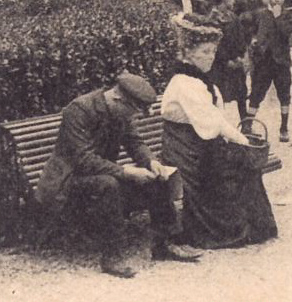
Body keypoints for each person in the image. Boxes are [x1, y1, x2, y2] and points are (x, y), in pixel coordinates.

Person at [34, 73, 197, 279]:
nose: (136, 117)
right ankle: (113, 256)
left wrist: (151, 162)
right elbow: (82, 159)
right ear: (119, 99)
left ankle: (165, 243)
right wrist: (125, 171)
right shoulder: (79, 110)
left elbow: (135, 142)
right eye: (136, 111)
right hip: (66, 184)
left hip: (99, 175)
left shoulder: (120, 112)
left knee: (158, 177)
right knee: (108, 184)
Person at [160, 21, 279, 248]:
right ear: (188, 54)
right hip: (185, 151)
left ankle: (253, 226)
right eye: (204, 52)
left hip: (200, 143)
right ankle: (230, 229)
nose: (211, 57)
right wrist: (242, 140)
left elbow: (216, 118)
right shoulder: (184, 83)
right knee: (233, 168)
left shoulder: (200, 80)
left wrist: (235, 140)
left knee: (243, 164)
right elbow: (211, 122)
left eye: (213, 51)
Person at [247, 0, 292, 141]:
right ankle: (247, 125)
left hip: (281, 61)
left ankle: (284, 128)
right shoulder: (260, 14)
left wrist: (281, 16)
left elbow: (291, 33)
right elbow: (250, 31)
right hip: (263, 61)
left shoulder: (289, 15)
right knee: (256, 94)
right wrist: (253, 42)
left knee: (284, 95)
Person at [207, 0, 253, 121]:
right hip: (220, 67)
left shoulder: (233, 17)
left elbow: (241, 38)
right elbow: (214, 45)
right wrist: (227, 61)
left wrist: (242, 57)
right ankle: (218, 129)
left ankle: (245, 124)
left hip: (236, 63)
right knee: (218, 97)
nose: (233, 2)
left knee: (241, 95)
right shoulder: (211, 20)